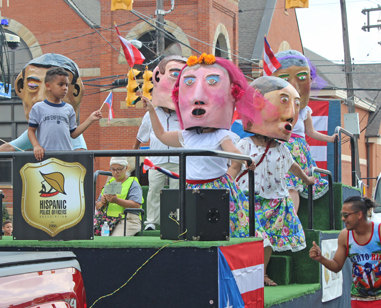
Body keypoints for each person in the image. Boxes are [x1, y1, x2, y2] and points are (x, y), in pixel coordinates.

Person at [142, 53, 266, 240]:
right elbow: (161, 136)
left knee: (225, 228)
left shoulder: (221, 134)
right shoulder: (187, 136)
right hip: (190, 189)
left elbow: (234, 154)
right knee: (192, 229)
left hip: (216, 188)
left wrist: (245, 159)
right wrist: (152, 110)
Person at [228, 76, 315, 286]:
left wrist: (306, 179)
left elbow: (293, 166)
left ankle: (263, 274)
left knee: (267, 242)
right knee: (260, 239)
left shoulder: (282, 148)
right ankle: (253, 274)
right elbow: (234, 167)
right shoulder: (245, 144)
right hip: (249, 200)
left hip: (275, 201)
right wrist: (226, 186)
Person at [0, 54, 88, 168]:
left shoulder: (65, 125)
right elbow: (10, 147)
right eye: (33, 86)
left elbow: (81, 153)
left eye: (65, 85)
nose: (40, 97)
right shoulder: (37, 129)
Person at [272, 50, 338, 212]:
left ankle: (292, 217)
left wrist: (330, 139)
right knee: (279, 184)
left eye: (301, 77)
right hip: (280, 146)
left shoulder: (304, 111)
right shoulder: (274, 110)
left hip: (297, 149)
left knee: (293, 185)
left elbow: (311, 132)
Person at [133, 55, 186, 231]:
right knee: (154, 190)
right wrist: (134, 152)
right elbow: (141, 137)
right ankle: (151, 222)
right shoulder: (150, 114)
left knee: (177, 192)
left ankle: (175, 221)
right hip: (156, 160)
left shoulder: (184, 114)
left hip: (180, 160)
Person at [28, 67, 101, 161]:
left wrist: (90, 119)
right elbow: (31, 131)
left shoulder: (69, 109)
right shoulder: (38, 108)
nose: (65, 88)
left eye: (66, 85)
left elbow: (73, 134)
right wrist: (36, 146)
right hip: (45, 157)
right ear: (48, 86)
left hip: (66, 157)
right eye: (60, 84)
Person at [94, 157, 143, 237]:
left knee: (114, 239)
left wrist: (116, 200)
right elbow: (97, 206)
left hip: (129, 220)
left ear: (126, 168)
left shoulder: (133, 184)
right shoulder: (109, 184)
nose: (115, 172)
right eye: (112, 169)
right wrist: (103, 202)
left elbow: (136, 205)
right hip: (108, 220)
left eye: (119, 169)